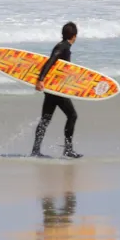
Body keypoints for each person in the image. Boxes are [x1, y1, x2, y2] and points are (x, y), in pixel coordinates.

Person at [32, 22, 82, 159]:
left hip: (53, 88)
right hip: (55, 90)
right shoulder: (63, 47)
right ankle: (68, 149)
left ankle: (35, 151)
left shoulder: (64, 46)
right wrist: (40, 79)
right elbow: (50, 61)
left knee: (45, 119)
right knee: (72, 115)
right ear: (74, 36)